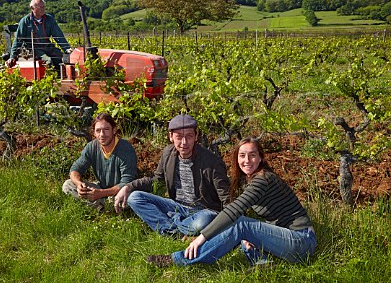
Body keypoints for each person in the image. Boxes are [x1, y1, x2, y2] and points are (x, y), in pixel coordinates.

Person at [146, 137, 317, 269]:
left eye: (252, 155)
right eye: (242, 156)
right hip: (288, 237)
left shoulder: (263, 180)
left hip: (301, 241)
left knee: (241, 225)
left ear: (260, 158)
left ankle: (179, 259)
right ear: (236, 158)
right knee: (243, 231)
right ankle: (262, 263)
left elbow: (234, 211)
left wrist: (201, 238)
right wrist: (252, 236)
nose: (246, 160)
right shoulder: (249, 180)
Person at [114, 114, 230, 237]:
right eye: (179, 137)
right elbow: (156, 180)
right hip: (176, 206)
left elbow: (226, 196)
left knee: (203, 221)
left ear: (196, 136)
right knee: (135, 198)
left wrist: (233, 223)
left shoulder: (212, 162)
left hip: (203, 211)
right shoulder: (168, 154)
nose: (184, 142)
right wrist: (128, 187)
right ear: (171, 137)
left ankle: (172, 226)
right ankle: (178, 231)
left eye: (189, 136)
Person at [62, 112, 138, 211]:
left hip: (121, 192)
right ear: (94, 132)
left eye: (106, 129)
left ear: (114, 130)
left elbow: (127, 182)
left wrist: (101, 193)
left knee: (131, 199)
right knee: (68, 185)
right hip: (100, 188)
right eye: (98, 130)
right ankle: (102, 206)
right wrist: (78, 184)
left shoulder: (125, 149)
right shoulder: (92, 147)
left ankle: (99, 206)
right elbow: (76, 169)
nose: (102, 134)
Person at [6, 0, 71, 70]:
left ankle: (63, 76)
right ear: (32, 8)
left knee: (62, 58)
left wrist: (67, 49)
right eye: (40, 7)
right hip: (33, 48)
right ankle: (51, 78)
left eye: (44, 7)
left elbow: (58, 36)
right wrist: (12, 57)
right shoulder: (25, 21)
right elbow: (18, 40)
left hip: (47, 46)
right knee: (48, 61)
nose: (43, 9)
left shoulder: (49, 19)